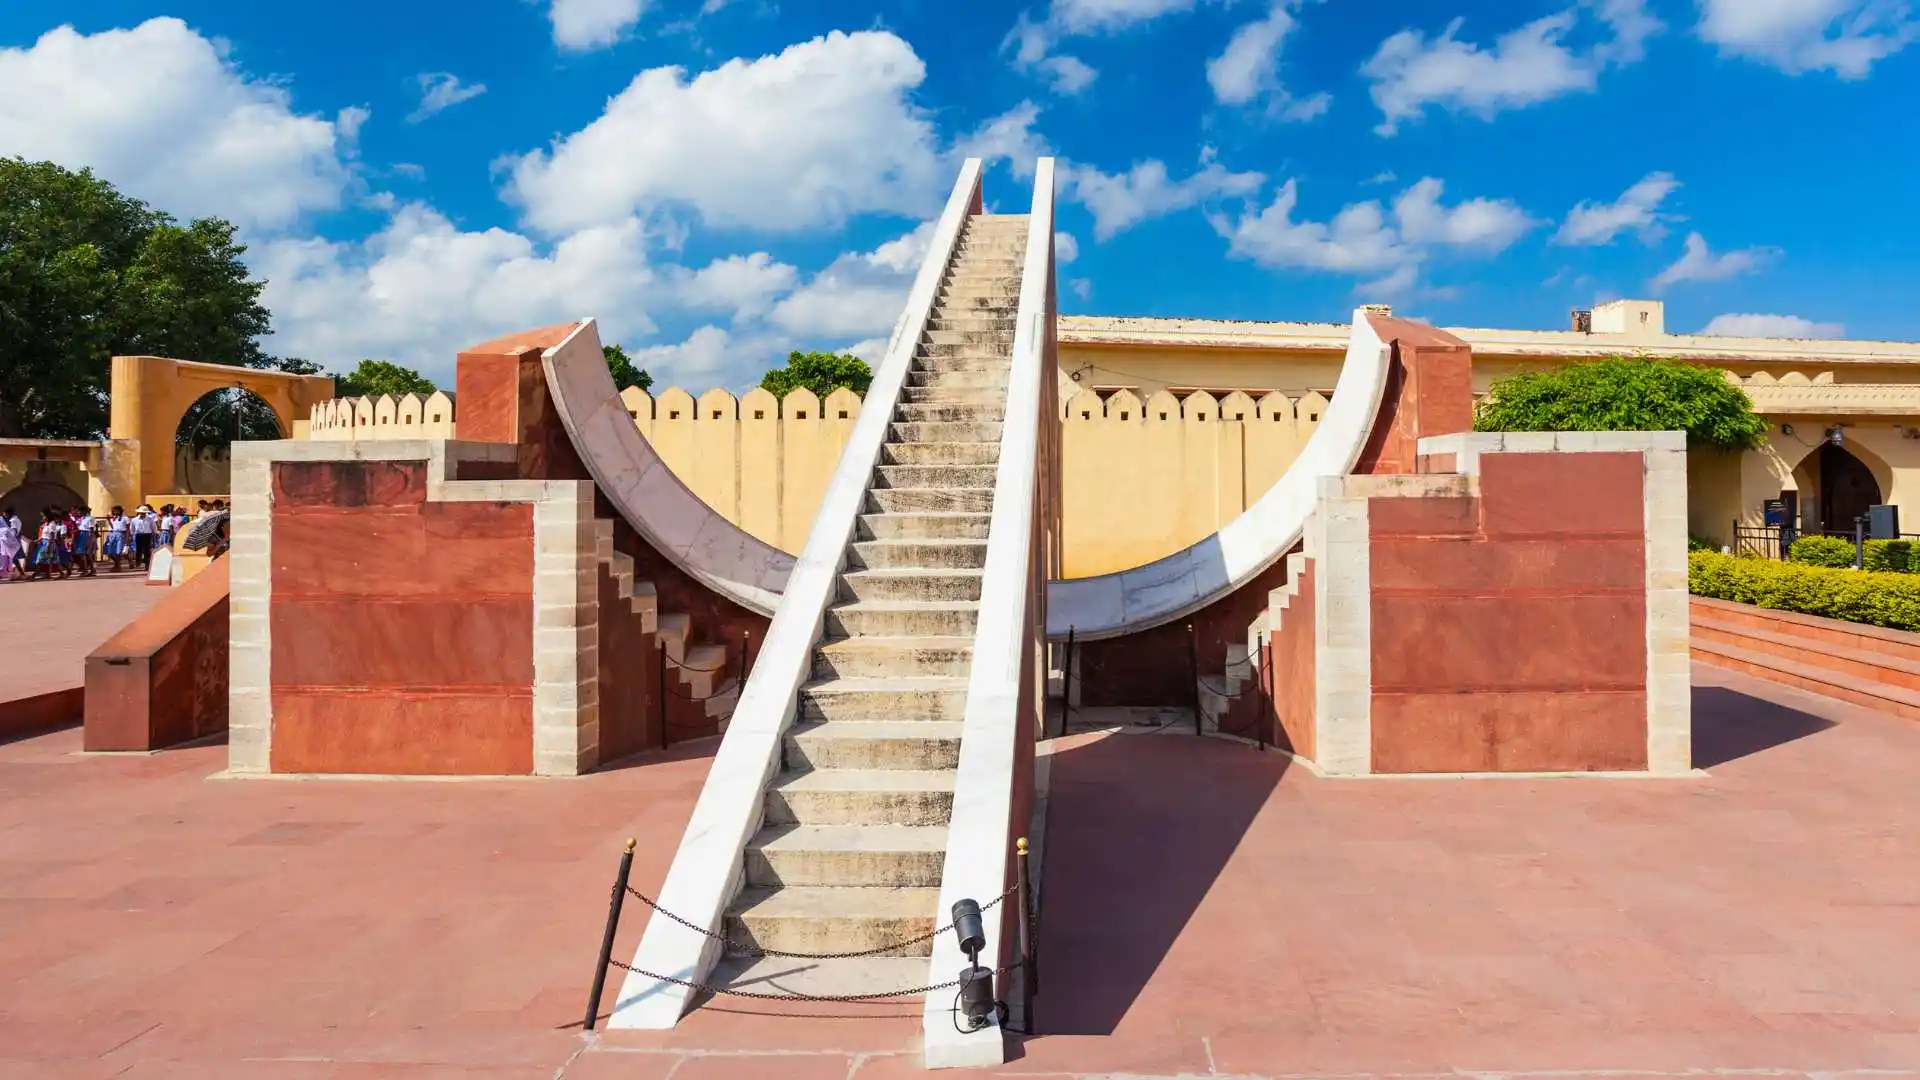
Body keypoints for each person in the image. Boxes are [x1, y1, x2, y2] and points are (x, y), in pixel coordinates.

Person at [31, 509, 71, 580]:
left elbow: (52, 535)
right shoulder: (47, 524)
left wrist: (49, 546)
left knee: (40, 560)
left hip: (49, 544)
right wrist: (38, 540)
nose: (43, 518)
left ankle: (33, 576)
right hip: (45, 542)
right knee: (52, 560)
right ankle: (59, 574)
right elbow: (44, 535)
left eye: (44, 516)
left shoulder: (52, 524)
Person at [102, 506, 130, 572]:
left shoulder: (125, 518)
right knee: (110, 552)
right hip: (113, 534)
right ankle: (117, 564)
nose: (115, 512)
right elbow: (112, 527)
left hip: (121, 534)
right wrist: (108, 520)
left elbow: (128, 529)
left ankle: (117, 566)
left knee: (118, 552)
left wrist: (127, 537)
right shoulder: (113, 518)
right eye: (114, 511)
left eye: (116, 511)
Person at [72, 507, 97, 577]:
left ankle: (89, 569)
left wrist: (89, 540)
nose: (79, 513)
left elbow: (91, 529)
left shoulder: (90, 518)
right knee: (82, 554)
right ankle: (88, 569)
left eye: (80, 511)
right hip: (80, 535)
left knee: (87, 554)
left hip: (86, 535)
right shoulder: (80, 518)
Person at [130, 504, 156, 569]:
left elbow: (153, 528)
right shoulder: (134, 520)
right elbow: (132, 529)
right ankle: (138, 563)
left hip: (147, 535)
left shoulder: (150, 519)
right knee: (138, 550)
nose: (143, 514)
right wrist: (131, 536)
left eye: (144, 513)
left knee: (147, 550)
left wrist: (154, 534)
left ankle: (147, 564)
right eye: (141, 512)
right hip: (138, 535)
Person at [0, 509, 20, 582]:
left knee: (11, 558)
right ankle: (18, 573)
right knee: (11, 559)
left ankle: (17, 574)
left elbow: (13, 531)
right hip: (8, 542)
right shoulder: (4, 520)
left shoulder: (12, 520)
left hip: (8, 542)